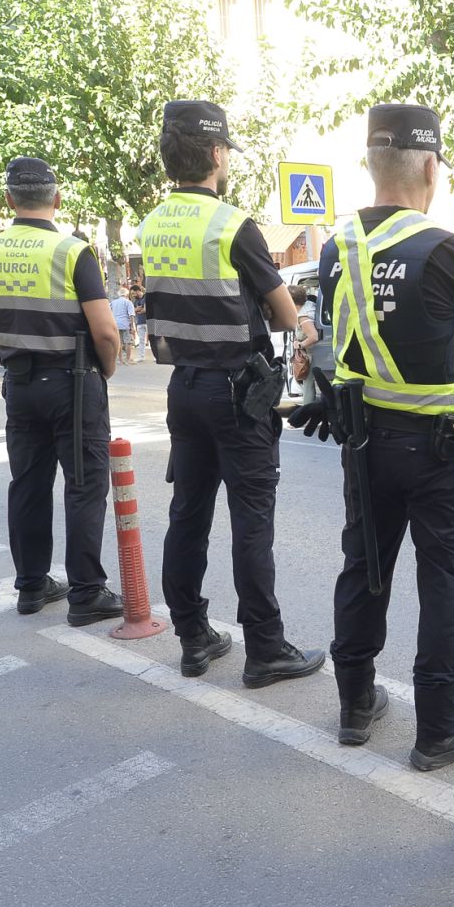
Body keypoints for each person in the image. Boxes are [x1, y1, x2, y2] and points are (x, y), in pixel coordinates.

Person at [288, 103, 454, 770]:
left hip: (365, 443)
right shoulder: (446, 248)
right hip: (440, 449)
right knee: (445, 581)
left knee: (364, 568)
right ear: (430, 166)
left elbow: (333, 345)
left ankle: (354, 706)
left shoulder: (340, 247)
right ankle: (440, 728)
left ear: (371, 165)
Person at [139, 100, 325, 687]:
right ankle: (265, 649)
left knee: (187, 515)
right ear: (217, 154)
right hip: (237, 394)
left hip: (184, 388)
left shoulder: (152, 224)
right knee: (251, 522)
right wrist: (304, 329)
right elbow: (281, 304)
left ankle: (193, 637)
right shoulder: (231, 224)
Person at [0, 158, 126, 626]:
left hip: (19, 383)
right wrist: (108, 370)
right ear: (56, 199)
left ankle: (32, 585)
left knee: (28, 485)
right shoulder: (72, 251)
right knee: (84, 485)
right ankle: (85, 593)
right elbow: (105, 331)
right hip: (72, 383)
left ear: (8, 200)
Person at [110, 287, 137, 365]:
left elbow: (109, 312)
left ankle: (120, 360)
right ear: (126, 294)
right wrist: (132, 326)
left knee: (119, 343)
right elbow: (131, 315)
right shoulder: (128, 302)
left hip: (115, 324)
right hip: (125, 325)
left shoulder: (113, 302)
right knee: (128, 342)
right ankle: (127, 360)